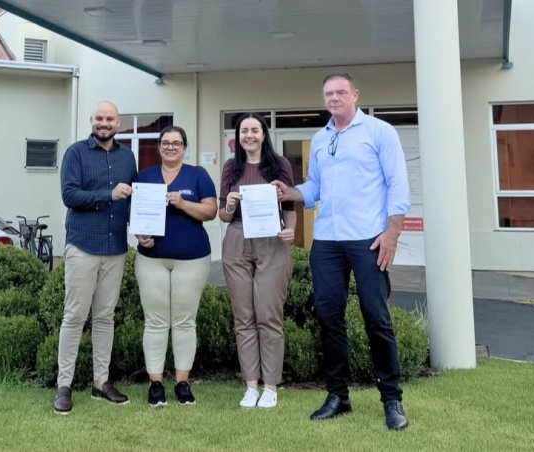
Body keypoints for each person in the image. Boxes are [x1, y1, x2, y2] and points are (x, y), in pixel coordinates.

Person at [273, 73, 411, 430]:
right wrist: (289, 192)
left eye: (340, 92)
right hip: (328, 242)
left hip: (368, 240)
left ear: (354, 95)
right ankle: (338, 396)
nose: (334, 98)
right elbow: (315, 186)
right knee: (328, 317)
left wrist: (392, 233)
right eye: (328, 94)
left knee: (376, 317)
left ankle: (392, 400)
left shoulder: (379, 132)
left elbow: (398, 183)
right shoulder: (321, 138)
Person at [53, 100, 137, 415]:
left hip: (115, 248)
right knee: (74, 316)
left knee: (105, 318)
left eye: (110, 119)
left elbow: (133, 199)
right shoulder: (76, 153)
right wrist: (108, 194)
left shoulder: (128, 156)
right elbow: (70, 195)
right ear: (92, 121)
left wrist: (141, 228)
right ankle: (64, 386)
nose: (104, 123)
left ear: (118, 123)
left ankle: (101, 383)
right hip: (83, 247)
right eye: (99, 118)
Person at [133, 126, 218, 407]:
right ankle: (155, 384)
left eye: (176, 143)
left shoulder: (198, 175)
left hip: (192, 259)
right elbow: (135, 213)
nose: (171, 147)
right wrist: (139, 233)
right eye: (165, 143)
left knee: (184, 321)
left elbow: (210, 211)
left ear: (185, 147)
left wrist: (182, 203)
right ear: (158, 147)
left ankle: (183, 382)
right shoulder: (144, 176)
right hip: (151, 259)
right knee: (155, 322)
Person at [219, 113, 296, 409]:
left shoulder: (280, 165)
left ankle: (271, 387)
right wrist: (228, 205)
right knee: (244, 317)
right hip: (237, 238)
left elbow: (288, 205)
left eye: (255, 130)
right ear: (237, 136)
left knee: (269, 316)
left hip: (272, 240)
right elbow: (223, 215)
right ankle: (251, 386)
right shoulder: (230, 167)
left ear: (264, 134)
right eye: (243, 130)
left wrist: (291, 229)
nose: (249, 135)